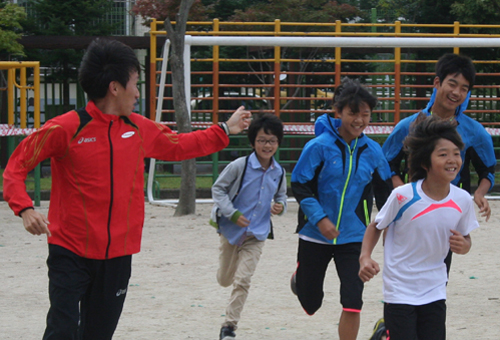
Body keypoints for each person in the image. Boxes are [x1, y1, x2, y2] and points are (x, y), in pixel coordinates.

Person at [2, 38, 251, 340]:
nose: (137, 91)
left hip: (118, 254)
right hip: (70, 250)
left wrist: (224, 129)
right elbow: (15, 166)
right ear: (114, 87)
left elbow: (181, 144)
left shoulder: (138, 128)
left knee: (97, 335)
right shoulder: (65, 128)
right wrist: (25, 207)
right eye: (135, 82)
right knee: (62, 331)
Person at [359, 115, 479, 340]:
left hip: (434, 288)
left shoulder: (462, 199)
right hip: (399, 289)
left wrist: (464, 246)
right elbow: (376, 226)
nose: (452, 160)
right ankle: (385, 333)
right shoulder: (404, 196)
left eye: (456, 153)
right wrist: (365, 257)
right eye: (443, 154)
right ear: (425, 162)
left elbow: (466, 238)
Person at [290, 78, 393, 340]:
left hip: (355, 237)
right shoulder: (318, 147)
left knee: (353, 299)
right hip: (315, 234)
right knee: (310, 302)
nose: (359, 120)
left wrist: (393, 225)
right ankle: (299, 278)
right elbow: (300, 185)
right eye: (353, 113)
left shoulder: (373, 151)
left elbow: (385, 194)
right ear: (338, 112)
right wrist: (320, 219)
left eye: (365, 114)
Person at [383, 53, 494, 221]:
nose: (456, 92)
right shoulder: (408, 126)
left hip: (449, 211)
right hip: (409, 210)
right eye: (452, 84)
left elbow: (487, 171)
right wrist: (405, 194)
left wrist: (479, 194)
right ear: (437, 83)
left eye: (464, 89)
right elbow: (386, 164)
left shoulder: (475, 132)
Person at [210, 113, 287, 340]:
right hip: (231, 231)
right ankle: (226, 274)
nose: (267, 145)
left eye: (272, 140)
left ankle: (229, 327)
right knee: (225, 280)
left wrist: (279, 206)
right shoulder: (239, 166)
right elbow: (218, 189)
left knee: (243, 280)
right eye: (262, 140)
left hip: (257, 234)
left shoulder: (279, 172)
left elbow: (282, 196)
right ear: (253, 141)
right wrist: (231, 214)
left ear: (278, 143)